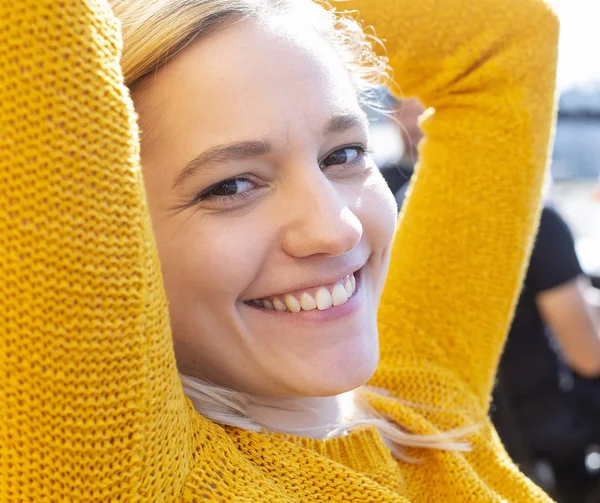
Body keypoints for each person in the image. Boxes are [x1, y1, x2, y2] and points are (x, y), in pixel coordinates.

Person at [0, 0, 559, 501]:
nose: (335, 229)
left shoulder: (427, 401)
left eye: (342, 154)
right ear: (113, 238)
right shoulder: (117, 467)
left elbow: (506, 46)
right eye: (231, 186)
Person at [492, 206, 600, 502]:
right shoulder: (534, 219)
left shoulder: (409, 210)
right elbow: (589, 358)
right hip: (549, 438)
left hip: (471, 436)